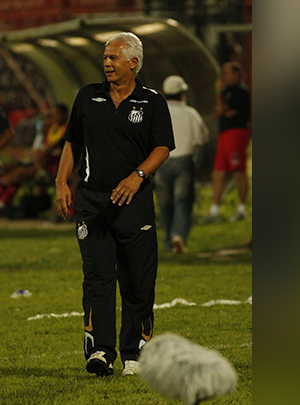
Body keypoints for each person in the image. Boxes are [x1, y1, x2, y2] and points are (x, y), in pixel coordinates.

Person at [54, 32, 174, 377]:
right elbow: (72, 142)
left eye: (113, 58)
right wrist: (62, 182)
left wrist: (137, 175)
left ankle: (135, 354)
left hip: (134, 204)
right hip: (92, 200)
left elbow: (162, 147)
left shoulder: (152, 102)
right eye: (105, 58)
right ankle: (100, 352)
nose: (106, 63)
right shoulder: (87, 97)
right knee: (97, 276)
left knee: (138, 279)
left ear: (133, 63)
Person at [155, 75, 209, 254]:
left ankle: (168, 240)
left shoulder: (157, 112)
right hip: (184, 161)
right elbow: (201, 138)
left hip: (161, 162)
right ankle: (178, 235)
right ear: (181, 94)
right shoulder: (190, 113)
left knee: (165, 203)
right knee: (183, 202)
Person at [202, 61, 251, 223]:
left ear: (237, 74)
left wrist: (218, 94)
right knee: (218, 173)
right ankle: (214, 210)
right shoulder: (227, 92)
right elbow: (218, 112)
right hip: (224, 135)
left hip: (236, 133)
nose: (224, 77)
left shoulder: (241, 93)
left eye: (227, 73)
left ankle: (241, 209)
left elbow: (221, 109)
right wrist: (222, 106)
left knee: (238, 170)